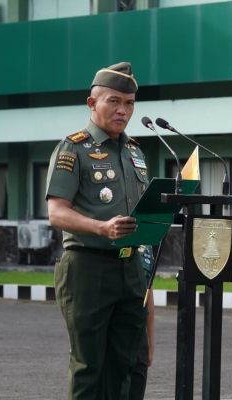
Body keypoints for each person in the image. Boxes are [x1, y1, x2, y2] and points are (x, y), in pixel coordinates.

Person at [46, 61, 150, 400]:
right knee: (89, 367)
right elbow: (57, 212)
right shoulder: (73, 148)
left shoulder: (135, 151)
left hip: (130, 267)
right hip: (87, 268)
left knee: (126, 365)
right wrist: (102, 228)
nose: (123, 110)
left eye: (129, 103)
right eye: (114, 101)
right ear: (92, 103)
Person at [129, 245, 155, 400]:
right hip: (113, 330)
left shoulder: (147, 245)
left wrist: (150, 341)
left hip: (138, 333)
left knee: (136, 390)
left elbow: (148, 290)